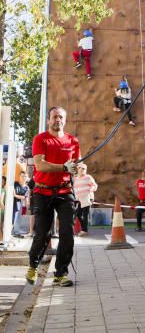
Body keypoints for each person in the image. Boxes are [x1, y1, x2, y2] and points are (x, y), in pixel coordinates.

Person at [26, 106, 79, 287]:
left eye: (61, 117)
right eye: (54, 117)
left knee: (67, 234)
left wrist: (78, 168)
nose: (58, 120)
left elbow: (77, 165)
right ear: (49, 120)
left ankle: (61, 273)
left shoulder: (73, 141)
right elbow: (40, 165)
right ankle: (33, 265)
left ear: (65, 120)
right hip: (42, 191)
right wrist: (64, 167)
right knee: (42, 234)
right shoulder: (40, 139)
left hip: (65, 192)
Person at [74, 163, 98, 236]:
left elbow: (95, 186)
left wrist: (90, 190)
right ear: (77, 169)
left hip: (87, 198)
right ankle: (84, 229)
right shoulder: (76, 178)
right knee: (78, 214)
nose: (82, 170)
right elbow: (75, 188)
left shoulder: (88, 177)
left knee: (85, 214)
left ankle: (84, 230)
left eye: (83, 168)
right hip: (79, 199)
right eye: (80, 168)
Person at [12, 171, 29, 236]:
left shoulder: (26, 187)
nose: (23, 178)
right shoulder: (15, 184)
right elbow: (12, 193)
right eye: (22, 176)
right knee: (11, 217)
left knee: (17, 218)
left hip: (19, 204)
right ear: (19, 176)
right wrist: (16, 196)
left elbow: (24, 197)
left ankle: (15, 232)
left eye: (25, 176)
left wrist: (16, 195)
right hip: (12, 203)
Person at [0, 175, 6, 242]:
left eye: (2, 181)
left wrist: (3, 210)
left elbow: (1, 202)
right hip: (2, 211)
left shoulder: (3, 190)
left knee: (0, 227)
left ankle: (1, 241)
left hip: (1, 211)